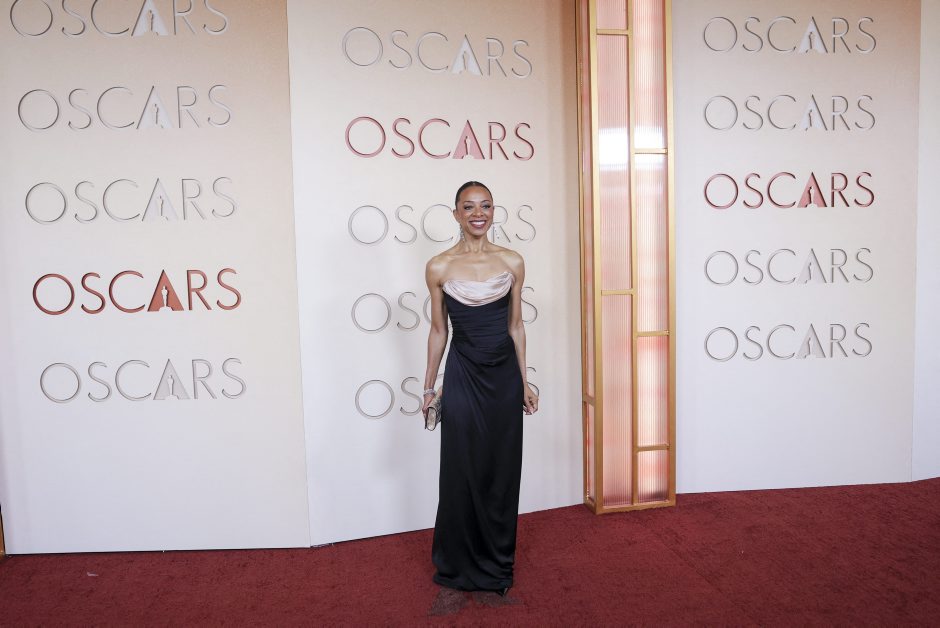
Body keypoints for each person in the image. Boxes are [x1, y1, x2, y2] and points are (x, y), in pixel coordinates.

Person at [422, 180, 539, 596]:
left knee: (502, 468)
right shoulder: (438, 267)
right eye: (469, 206)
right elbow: (439, 331)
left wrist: (524, 381)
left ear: (493, 211)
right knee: (461, 466)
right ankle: (458, 562)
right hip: (464, 376)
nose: (478, 213)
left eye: (485, 206)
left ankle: (497, 563)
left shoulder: (512, 261)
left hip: (503, 378)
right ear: (455, 213)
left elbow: (516, 326)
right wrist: (429, 389)